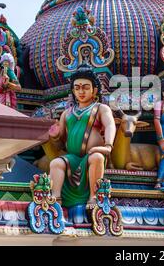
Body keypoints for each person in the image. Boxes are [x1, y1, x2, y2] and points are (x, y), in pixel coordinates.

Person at [48, 64, 116, 209]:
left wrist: (108, 146)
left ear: (94, 90)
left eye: (85, 87)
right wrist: (54, 137)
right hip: (72, 157)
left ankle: (93, 196)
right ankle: (56, 199)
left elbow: (110, 125)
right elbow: (61, 143)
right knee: (56, 164)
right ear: (73, 91)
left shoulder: (100, 108)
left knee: (97, 158)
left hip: (91, 154)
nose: (81, 91)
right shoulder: (67, 113)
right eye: (77, 88)